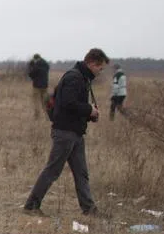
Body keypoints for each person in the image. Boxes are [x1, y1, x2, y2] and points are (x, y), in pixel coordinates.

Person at [23, 48, 110, 217]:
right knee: (52, 170)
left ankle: (89, 209)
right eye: (100, 68)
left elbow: (72, 106)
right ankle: (31, 206)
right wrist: (88, 110)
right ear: (92, 63)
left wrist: (90, 114)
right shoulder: (74, 78)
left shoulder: (81, 77)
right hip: (65, 132)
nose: (101, 71)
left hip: (75, 133)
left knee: (81, 173)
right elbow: (68, 104)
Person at [27, 53, 50, 118]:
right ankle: (48, 115)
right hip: (45, 86)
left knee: (36, 100)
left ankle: (37, 115)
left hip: (36, 86)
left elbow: (31, 74)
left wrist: (31, 66)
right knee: (45, 101)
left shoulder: (36, 65)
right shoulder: (46, 64)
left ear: (35, 59)